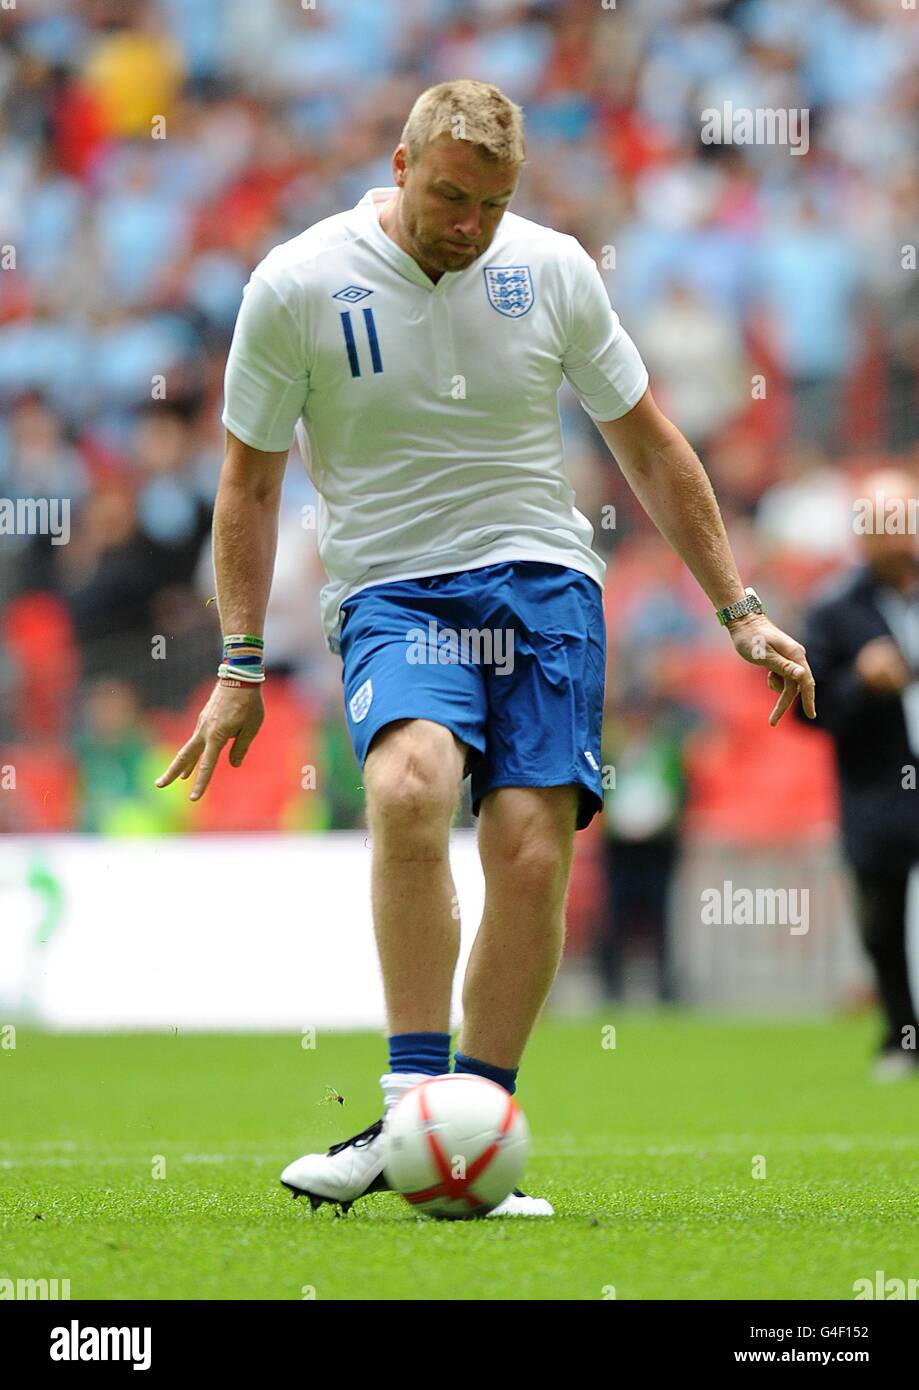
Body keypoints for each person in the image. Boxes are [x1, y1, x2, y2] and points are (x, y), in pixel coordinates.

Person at [155, 81, 815, 1215]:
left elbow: (651, 448)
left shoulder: (552, 268)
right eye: (451, 197)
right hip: (393, 590)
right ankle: (414, 1109)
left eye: (493, 203)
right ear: (402, 167)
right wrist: (236, 661)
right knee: (410, 789)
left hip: (544, 582)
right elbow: (249, 481)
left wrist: (737, 607)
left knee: (526, 851)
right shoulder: (296, 282)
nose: (469, 224)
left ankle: (471, 1130)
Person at [798, 469, 919, 1080]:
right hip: (879, 792)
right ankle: (903, 1034)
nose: (896, 540)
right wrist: (861, 685)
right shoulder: (834, 609)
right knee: (882, 920)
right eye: (881, 527)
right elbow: (806, 707)